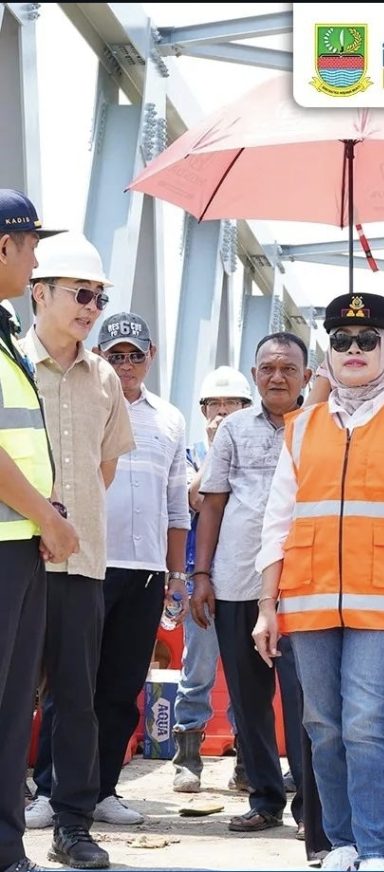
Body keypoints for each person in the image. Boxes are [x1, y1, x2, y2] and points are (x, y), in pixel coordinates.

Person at [252, 292, 384, 872]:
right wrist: (267, 605)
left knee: (369, 722)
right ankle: (340, 842)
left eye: (367, 340)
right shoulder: (301, 427)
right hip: (309, 599)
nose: (354, 349)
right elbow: (277, 521)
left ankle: (374, 848)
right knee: (322, 725)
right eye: (341, 340)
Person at [23, 232, 135, 870]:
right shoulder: (11, 363)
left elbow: (104, 469)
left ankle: (72, 825)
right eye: (81, 294)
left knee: (76, 701)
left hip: (83, 562)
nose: (92, 308)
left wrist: (72, 522)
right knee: (9, 698)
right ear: (40, 293)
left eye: (98, 297)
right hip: (16, 559)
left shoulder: (105, 380)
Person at [190, 332, 310, 834]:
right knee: (249, 699)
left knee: (306, 703)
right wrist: (201, 575)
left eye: (288, 368)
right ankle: (264, 798)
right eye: (267, 368)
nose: (277, 377)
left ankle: (312, 808)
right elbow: (213, 502)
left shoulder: (321, 426)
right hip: (237, 579)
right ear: (255, 374)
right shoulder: (235, 429)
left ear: (307, 375)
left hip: (302, 587)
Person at [80, 313, 189, 824]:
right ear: (98, 356)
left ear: (151, 356)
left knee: (122, 688)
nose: (125, 365)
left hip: (145, 573)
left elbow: (176, 505)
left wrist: (177, 575)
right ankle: (53, 790)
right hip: (88, 566)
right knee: (73, 685)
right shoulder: (83, 407)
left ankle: (103, 790)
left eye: (135, 355)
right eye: (115, 355)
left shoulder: (169, 419)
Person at [0, 189, 77, 872]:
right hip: (8, 543)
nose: (35, 264)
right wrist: (47, 515)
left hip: (18, 547)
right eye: (31, 249)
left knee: (11, 707)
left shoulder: (3, 334)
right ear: (5, 245)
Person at [172, 366, 252, 793]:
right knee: (197, 669)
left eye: (232, 403)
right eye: (215, 404)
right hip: (198, 577)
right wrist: (219, 449)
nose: (222, 411)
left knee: (246, 674)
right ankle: (187, 759)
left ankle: (247, 761)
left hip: (244, 577)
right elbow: (196, 499)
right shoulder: (189, 457)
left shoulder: (256, 458)